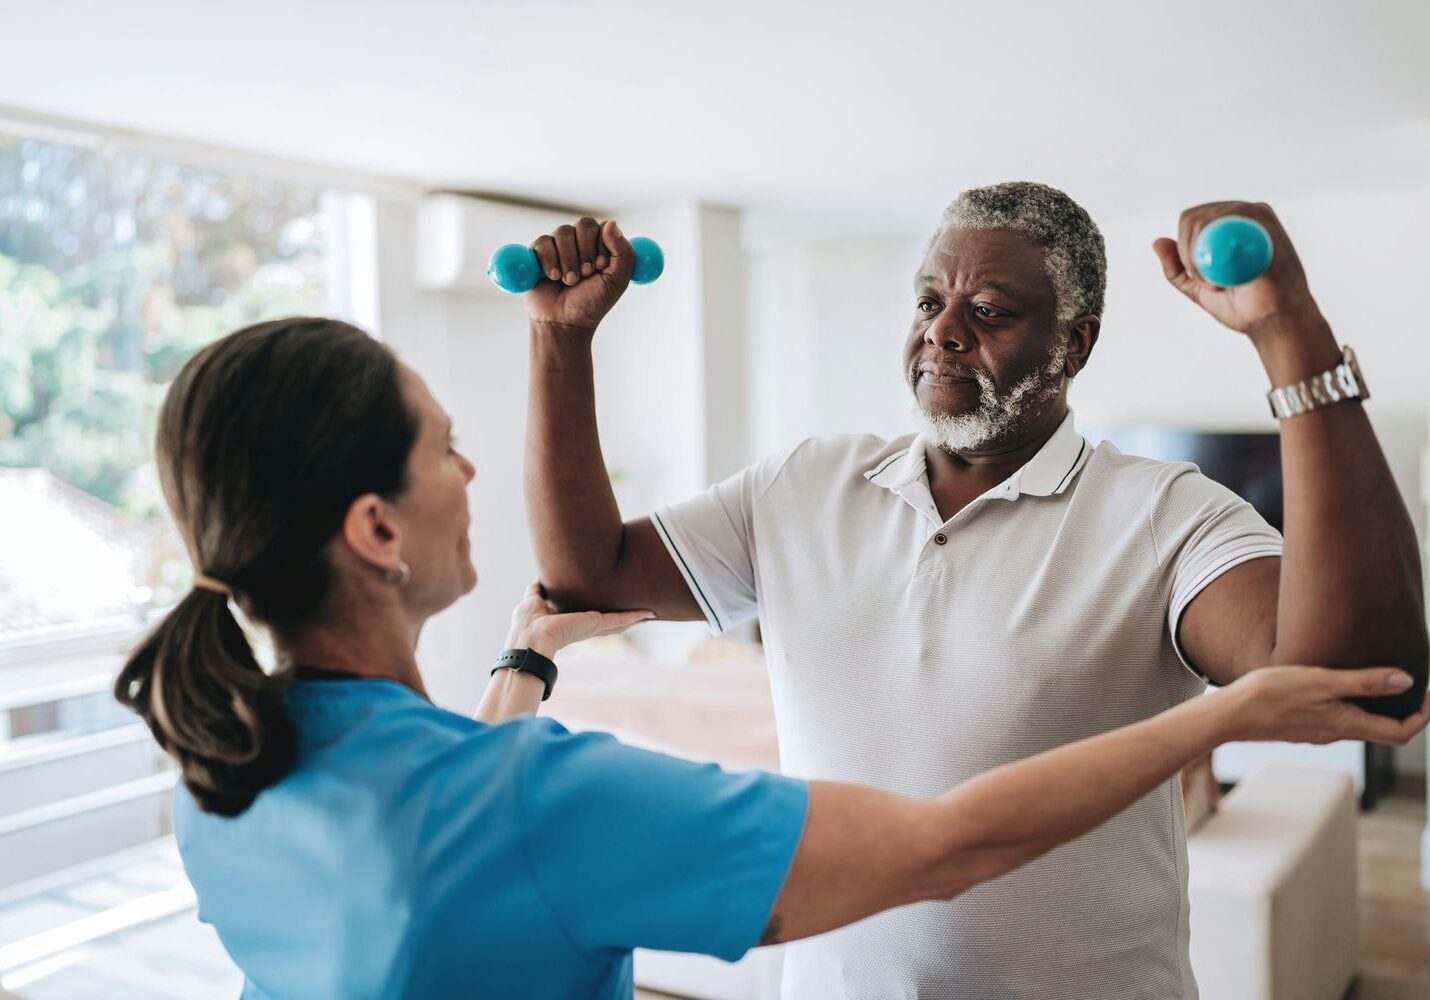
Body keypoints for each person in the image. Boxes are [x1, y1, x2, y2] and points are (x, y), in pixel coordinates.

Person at [111, 317, 1425, 1000]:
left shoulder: (221, 768)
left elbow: (460, 832)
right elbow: (945, 846)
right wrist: (1216, 719)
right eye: (443, 445)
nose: (469, 471)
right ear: (376, 529)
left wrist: (527, 660)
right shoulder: (534, 803)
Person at [522, 188, 1430, 998]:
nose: (943, 331)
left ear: (1074, 343)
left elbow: (1353, 679)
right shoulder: (802, 485)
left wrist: (1289, 335)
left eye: (989, 310)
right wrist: (560, 340)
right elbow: (591, 574)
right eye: (929, 301)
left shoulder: (1163, 514)